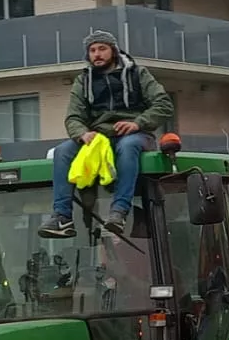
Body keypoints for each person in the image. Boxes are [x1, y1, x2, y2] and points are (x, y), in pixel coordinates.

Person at [41, 30, 174, 238]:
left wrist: (137, 123)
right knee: (62, 152)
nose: (97, 54)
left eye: (102, 48)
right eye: (92, 50)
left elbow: (164, 105)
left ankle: (119, 212)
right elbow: (73, 117)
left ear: (113, 51)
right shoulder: (83, 81)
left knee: (127, 147)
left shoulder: (138, 74)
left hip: (137, 135)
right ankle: (62, 217)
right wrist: (82, 134)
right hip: (98, 138)